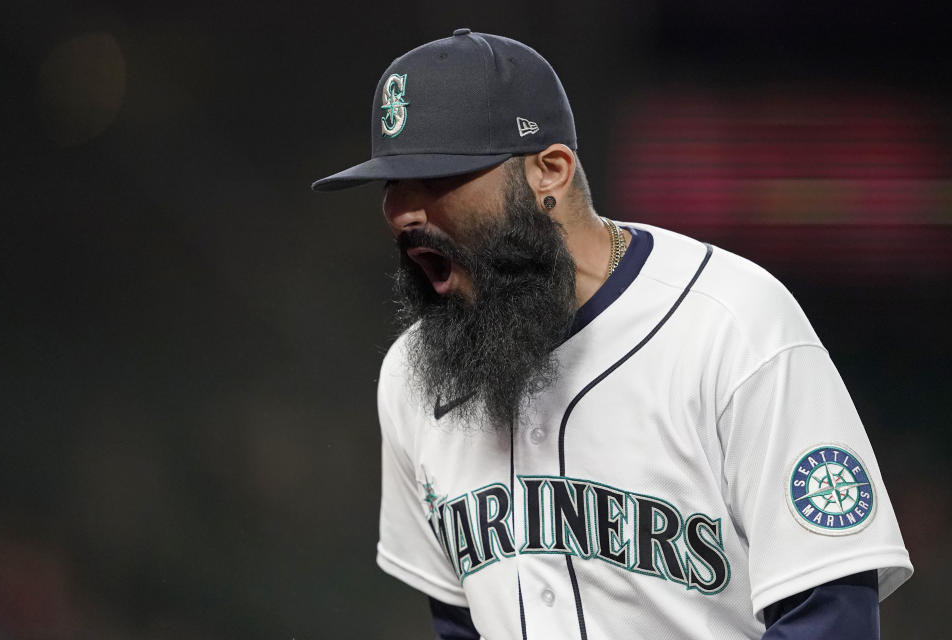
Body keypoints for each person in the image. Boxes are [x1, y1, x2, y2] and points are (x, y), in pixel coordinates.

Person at [312, 29, 912, 640]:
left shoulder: (730, 323)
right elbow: (461, 621)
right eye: (392, 185)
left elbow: (830, 617)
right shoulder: (415, 373)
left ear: (549, 171)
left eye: (436, 180)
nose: (403, 212)